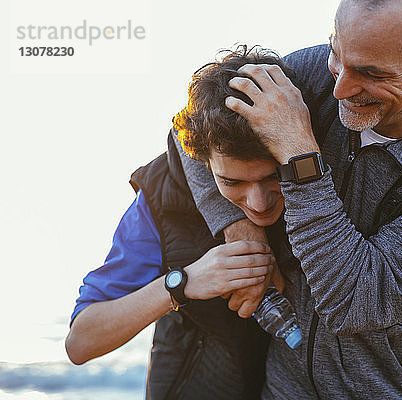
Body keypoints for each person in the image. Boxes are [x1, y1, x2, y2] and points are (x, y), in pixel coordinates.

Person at [180, 0, 402, 399]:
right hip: (286, 383)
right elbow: (192, 132)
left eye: (371, 73)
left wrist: (299, 154)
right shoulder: (313, 73)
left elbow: (352, 304)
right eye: (337, 54)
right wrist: (244, 234)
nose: (339, 89)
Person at [65, 46, 293, 399]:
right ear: (202, 161)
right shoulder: (162, 198)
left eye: (272, 177)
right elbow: (81, 342)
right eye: (232, 183)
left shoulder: (319, 171)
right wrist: (182, 283)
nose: (258, 203)